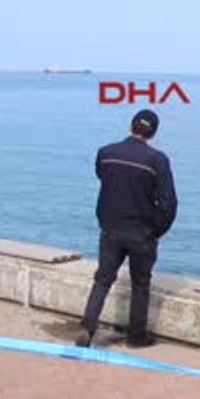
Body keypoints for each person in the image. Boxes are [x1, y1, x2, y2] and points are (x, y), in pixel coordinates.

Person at [76, 109, 178, 349]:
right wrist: (157, 231)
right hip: (142, 232)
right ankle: (136, 337)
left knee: (102, 280)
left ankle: (87, 328)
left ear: (130, 126)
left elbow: (104, 179)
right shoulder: (157, 160)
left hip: (111, 228)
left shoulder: (106, 153)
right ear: (153, 133)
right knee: (140, 284)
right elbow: (169, 203)